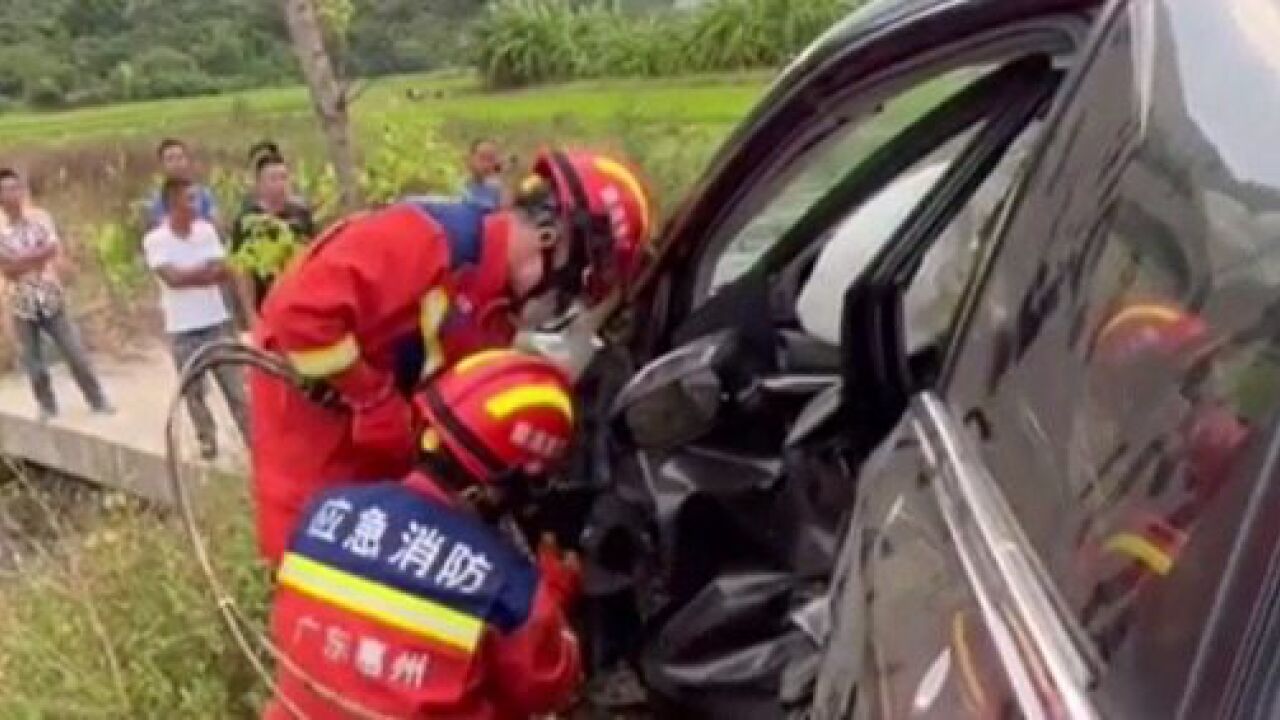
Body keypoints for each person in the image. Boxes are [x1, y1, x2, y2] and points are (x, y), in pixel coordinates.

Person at [251, 148, 653, 565]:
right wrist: (369, 396)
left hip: (379, 460)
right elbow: (299, 316)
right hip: (316, 451)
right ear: (552, 238)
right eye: (576, 287)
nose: (564, 305)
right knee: (323, 589)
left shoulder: (494, 304)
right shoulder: (424, 240)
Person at [264, 350, 584, 719]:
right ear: (507, 486)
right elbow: (545, 687)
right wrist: (553, 593)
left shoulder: (325, 511)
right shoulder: (508, 586)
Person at [144, 177, 250, 460]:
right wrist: (204, 274)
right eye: (189, 200)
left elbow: (224, 270)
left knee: (236, 389)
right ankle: (207, 440)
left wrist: (192, 274)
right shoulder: (156, 240)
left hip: (215, 321)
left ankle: (252, 439)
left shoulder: (206, 232)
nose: (195, 205)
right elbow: (172, 279)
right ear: (172, 205)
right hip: (182, 328)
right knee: (194, 391)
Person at [0, 168, 113, 421]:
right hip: (21, 302)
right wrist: (31, 260)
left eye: (15, 188)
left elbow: (51, 250)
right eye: (5, 190)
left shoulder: (40, 218)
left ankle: (97, 399)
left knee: (75, 353)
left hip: (51, 295)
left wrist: (22, 261)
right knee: (34, 362)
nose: (11, 195)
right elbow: (7, 269)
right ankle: (47, 405)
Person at [230, 142, 316, 323]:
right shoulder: (247, 221)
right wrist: (251, 315)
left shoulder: (300, 215)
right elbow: (243, 271)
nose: (280, 184)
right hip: (265, 306)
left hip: (299, 304)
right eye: (273, 179)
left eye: (284, 178)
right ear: (259, 184)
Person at [146, 138, 220, 229]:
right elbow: (156, 229)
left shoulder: (204, 194)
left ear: (187, 161)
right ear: (162, 165)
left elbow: (216, 226)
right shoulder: (157, 199)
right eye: (170, 159)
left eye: (180, 158)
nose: (176, 163)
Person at [462, 139, 507, 212]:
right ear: (471, 158)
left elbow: (502, 214)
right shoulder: (458, 186)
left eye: (490, 159)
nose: (486, 165)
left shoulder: (497, 188)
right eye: (482, 158)